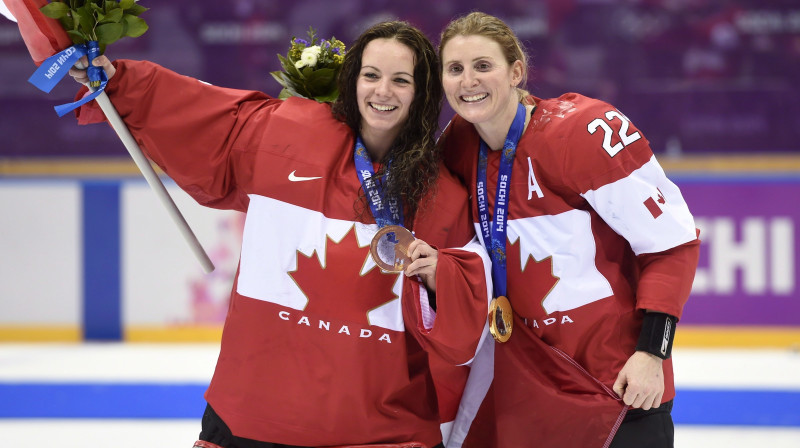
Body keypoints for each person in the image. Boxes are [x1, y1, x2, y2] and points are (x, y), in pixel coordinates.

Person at [69, 21, 492, 448]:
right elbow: (200, 112)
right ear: (352, 80)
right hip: (255, 413)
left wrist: (443, 278)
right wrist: (118, 80)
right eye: (371, 75)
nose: (383, 91)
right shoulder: (288, 132)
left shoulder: (443, 195)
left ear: (422, 95)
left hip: (378, 428)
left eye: (401, 80)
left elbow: (464, 329)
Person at [437, 12, 700, 448]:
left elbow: (671, 244)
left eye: (483, 66)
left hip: (615, 383)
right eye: (455, 69)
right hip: (527, 386)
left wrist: (653, 353)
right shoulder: (458, 145)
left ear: (516, 71)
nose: (469, 81)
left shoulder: (580, 131)